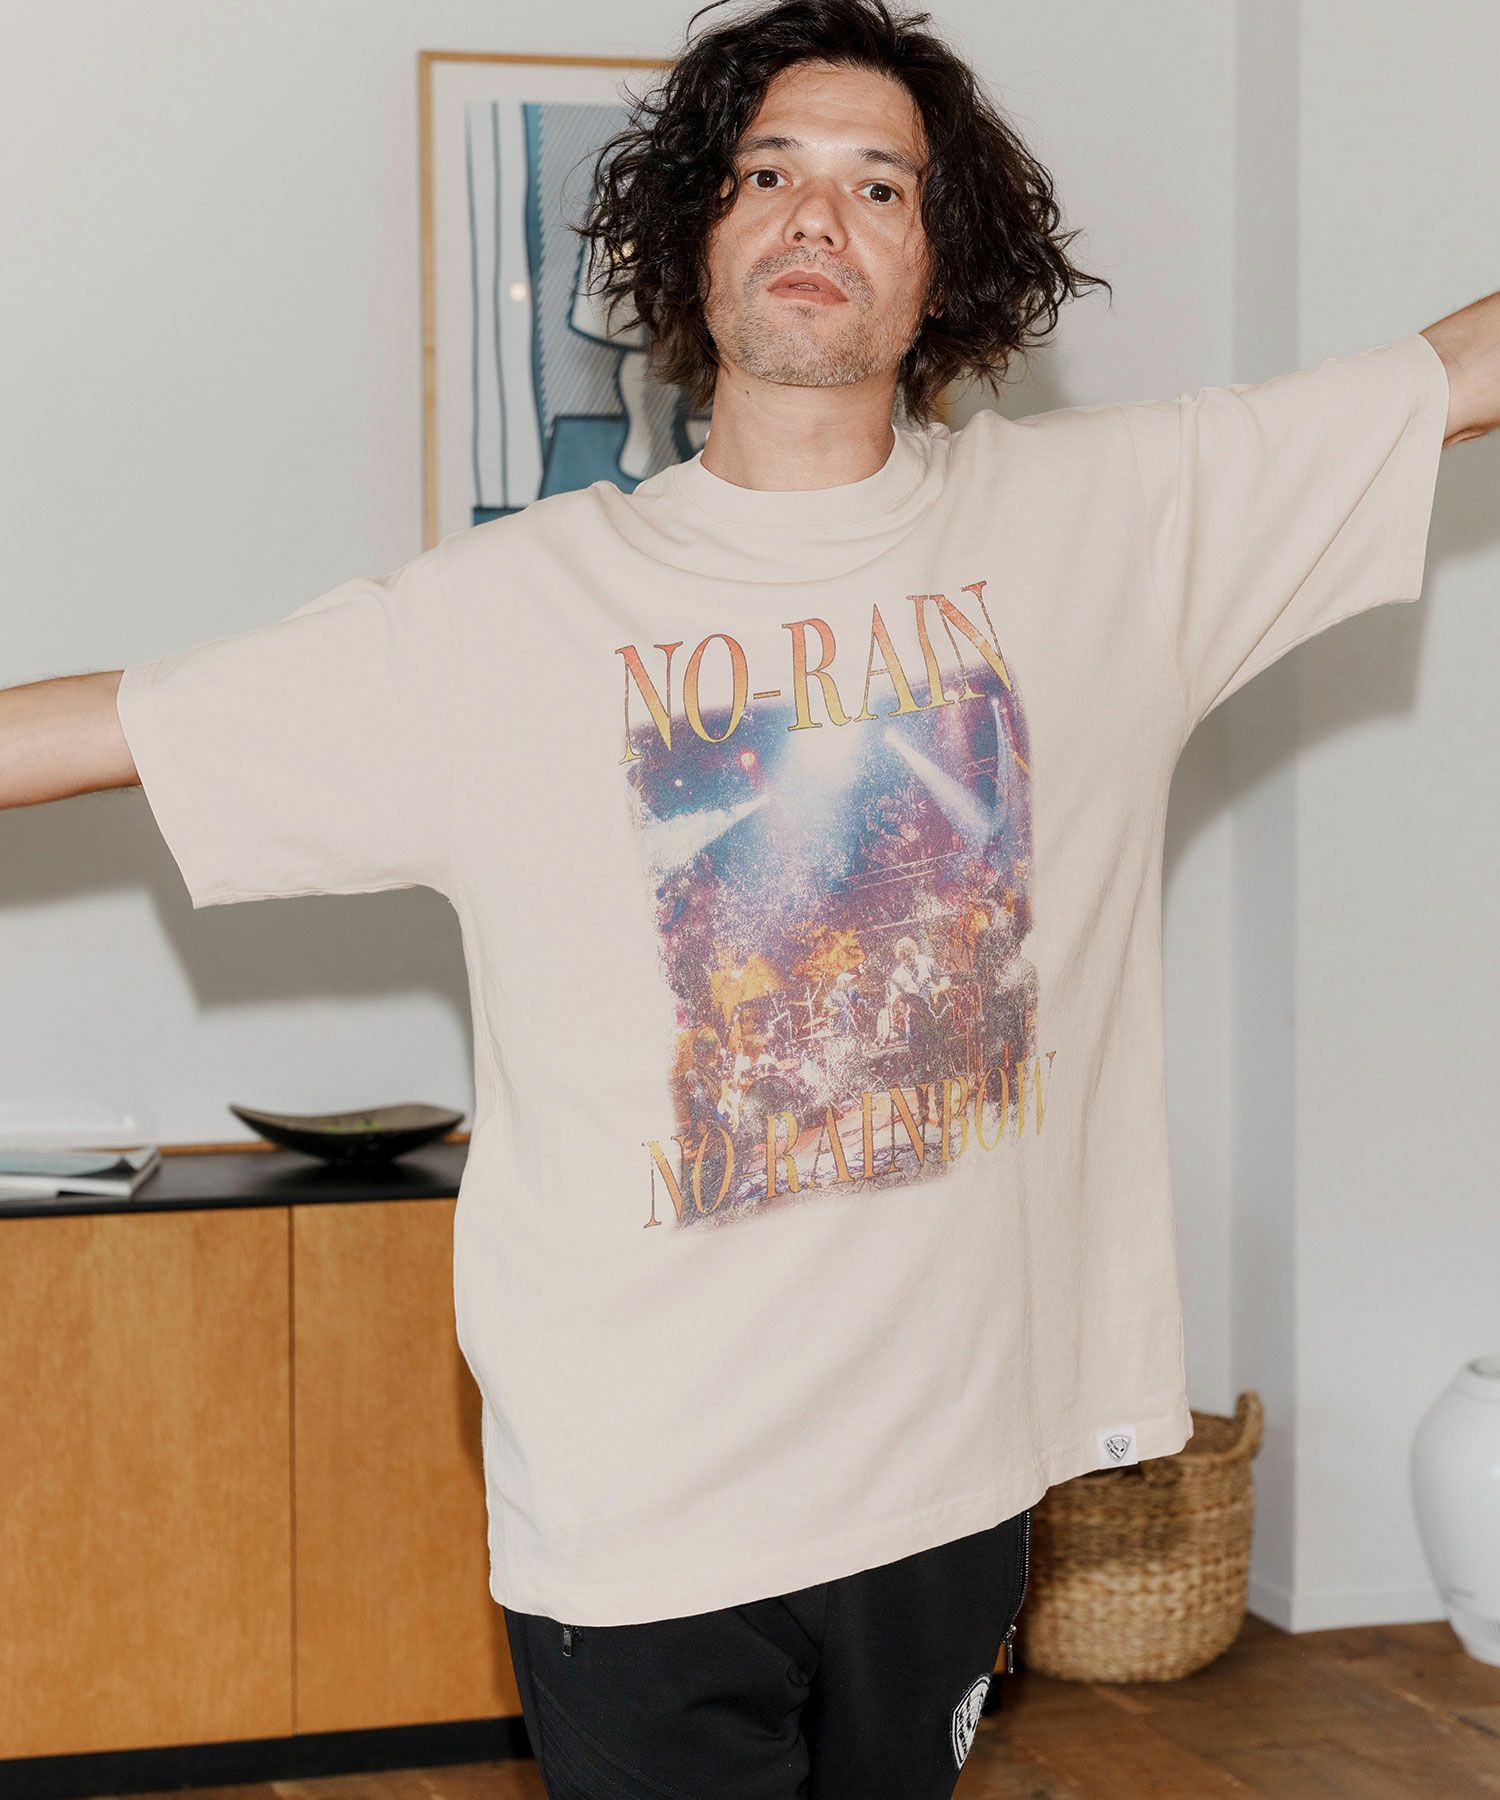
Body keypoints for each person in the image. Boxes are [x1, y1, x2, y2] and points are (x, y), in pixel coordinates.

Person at [2, 0, 1494, 1792]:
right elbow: (118, 725)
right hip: (643, 1501)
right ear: (693, 238)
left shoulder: (1112, 523)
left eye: (880, 184)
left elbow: (1443, 379)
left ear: (940, 263)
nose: (816, 215)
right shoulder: (505, 617)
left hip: (949, 1472)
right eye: (768, 171)